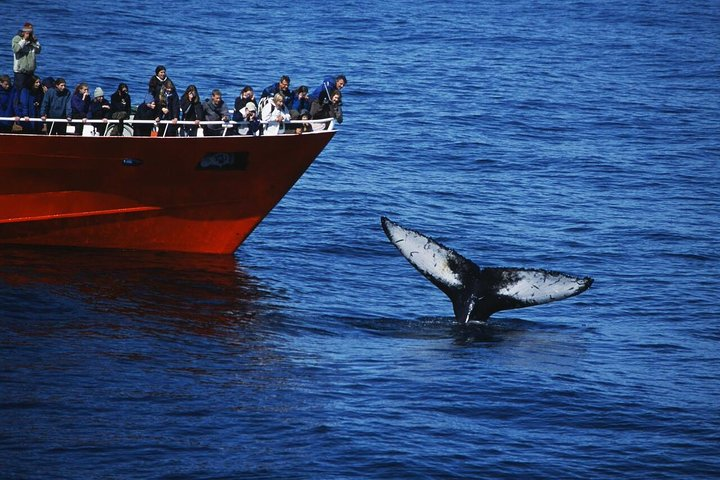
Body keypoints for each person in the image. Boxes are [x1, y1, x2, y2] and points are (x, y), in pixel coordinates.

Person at [11, 22, 41, 93]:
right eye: (28, 31)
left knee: (29, 91)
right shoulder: (17, 38)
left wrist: (35, 41)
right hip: (20, 72)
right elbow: (16, 49)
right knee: (19, 91)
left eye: (31, 31)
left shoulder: (32, 40)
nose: (30, 33)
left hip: (30, 72)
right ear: (24, 31)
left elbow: (38, 51)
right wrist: (24, 40)